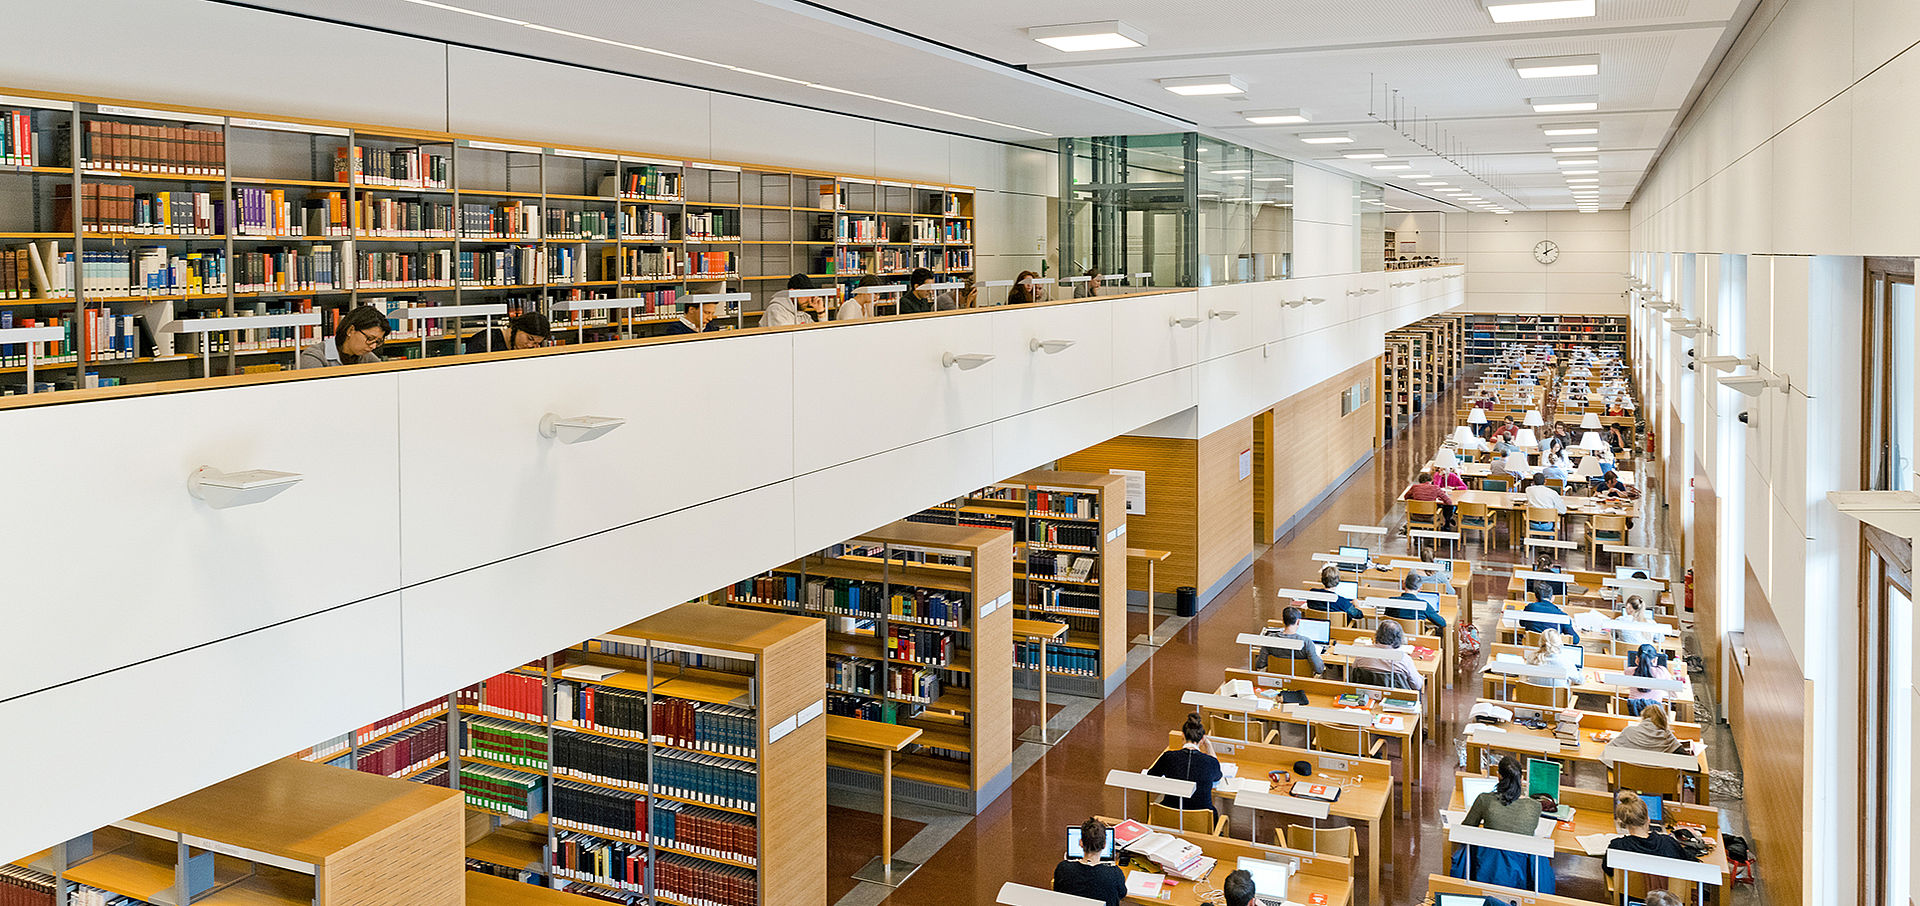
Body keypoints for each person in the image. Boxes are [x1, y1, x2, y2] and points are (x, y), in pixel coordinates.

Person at [1605, 791, 1699, 876]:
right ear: (1648, 819)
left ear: (1623, 822)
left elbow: (1608, 870)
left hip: (1630, 895)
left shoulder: (1617, 846)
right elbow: (1693, 865)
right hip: (1667, 894)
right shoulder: (1668, 843)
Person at [1146, 713, 1223, 815]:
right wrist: (1209, 746)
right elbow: (1217, 775)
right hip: (1201, 819)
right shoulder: (1210, 762)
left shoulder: (1168, 757)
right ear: (1203, 739)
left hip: (1170, 815)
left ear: (1182, 735)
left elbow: (1151, 775)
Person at [1052, 817, 1126, 906]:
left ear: (1081, 843)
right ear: (1104, 845)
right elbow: (1122, 894)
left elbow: (1057, 892)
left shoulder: (1063, 869)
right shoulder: (1115, 874)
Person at [1462, 755, 1544, 833]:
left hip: (1490, 847)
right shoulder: (1535, 806)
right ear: (1522, 779)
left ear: (1499, 776)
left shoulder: (1484, 800)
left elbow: (1464, 830)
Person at [1602, 704, 1699, 767]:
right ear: (1664, 720)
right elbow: (1695, 766)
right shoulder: (1668, 738)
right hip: (1659, 785)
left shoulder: (1629, 731)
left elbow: (1607, 752)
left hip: (1628, 781)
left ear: (1643, 718)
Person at [298, 305, 388, 368]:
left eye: (378, 341)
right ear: (350, 330)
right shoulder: (313, 357)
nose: (373, 346)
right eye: (370, 338)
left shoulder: (367, 356)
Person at [1351, 620, 1425, 692]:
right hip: (1396, 700)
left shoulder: (1362, 653)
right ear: (1398, 637)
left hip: (1367, 696)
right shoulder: (1403, 658)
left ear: (1377, 634)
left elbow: (1354, 674)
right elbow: (1417, 685)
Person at [1254, 605, 1325, 675]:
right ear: (1298, 622)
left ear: (1283, 621)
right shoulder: (1306, 642)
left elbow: (1260, 664)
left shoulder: (1269, 640)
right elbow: (1318, 669)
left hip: (1277, 681)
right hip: (1302, 682)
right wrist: (1318, 658)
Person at [1624, 643, 1679, 716]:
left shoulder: (1628, 671)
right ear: (1655, 660)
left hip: (1633, 717)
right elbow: (1672, 692)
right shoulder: (1662, 671)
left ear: (1637, 659)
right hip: (1655, 718)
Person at [465, 311, 551, 353]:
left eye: (536, 343)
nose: (529, 345)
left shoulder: (528, 349)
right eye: (530, 339)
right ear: (518, 327)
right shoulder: (484, 342)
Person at [761, 275, 827, 327]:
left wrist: (820, 312)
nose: (809, 299)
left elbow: (821, 334)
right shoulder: (776, 310)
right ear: (792, 293)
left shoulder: (803, 314)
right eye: (805, 294)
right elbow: (785, 339)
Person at [661, 298, 726, 335]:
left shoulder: (710, 327)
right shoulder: (675, 330)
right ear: (691, 310)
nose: (710, 318)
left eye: (712, 314)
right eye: (707, 313)